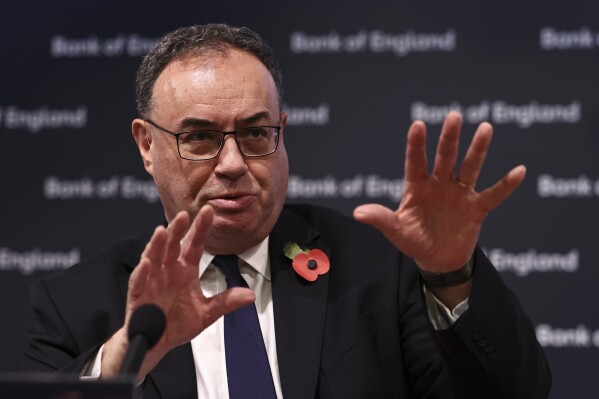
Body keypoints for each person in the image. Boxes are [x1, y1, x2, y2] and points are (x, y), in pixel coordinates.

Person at [23, 24, 551, 398]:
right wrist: (126, 362)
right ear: (146, 145)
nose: (232, 163)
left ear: (283, 131)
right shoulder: (76, 305)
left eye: (255, 133)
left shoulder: (376, 267)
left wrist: (452, 276)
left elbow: (516, 392)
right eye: (200, 138)